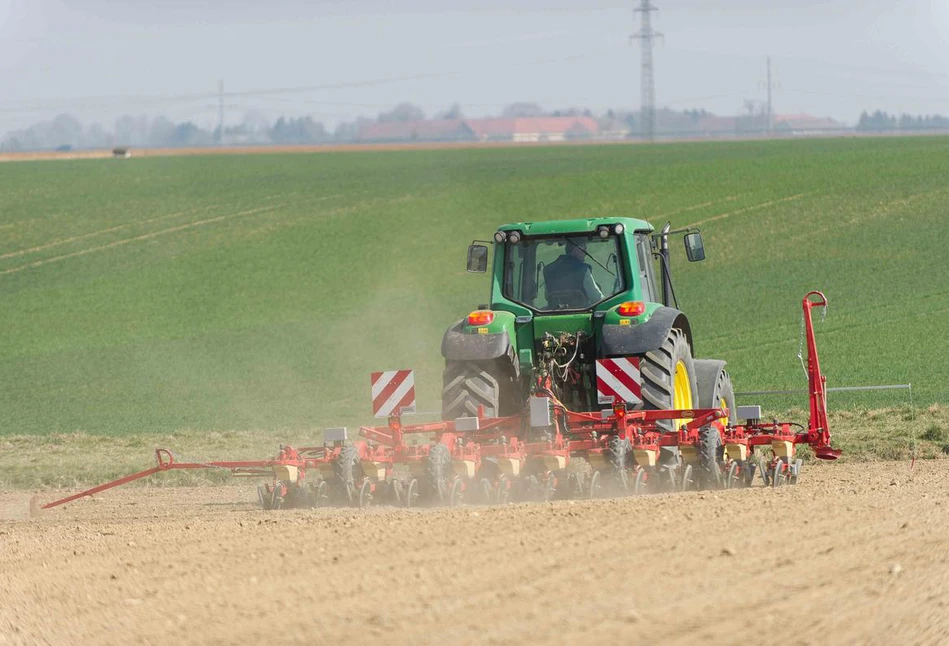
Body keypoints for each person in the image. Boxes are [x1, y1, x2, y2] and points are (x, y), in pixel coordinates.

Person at [543, 238, 603, 308]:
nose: (585, 254)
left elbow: (547, 296)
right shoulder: (583, 269)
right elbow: (596, 298)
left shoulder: (548, 269)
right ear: (576, 249)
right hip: (582, 313)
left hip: (554, 312)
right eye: (584, 250)